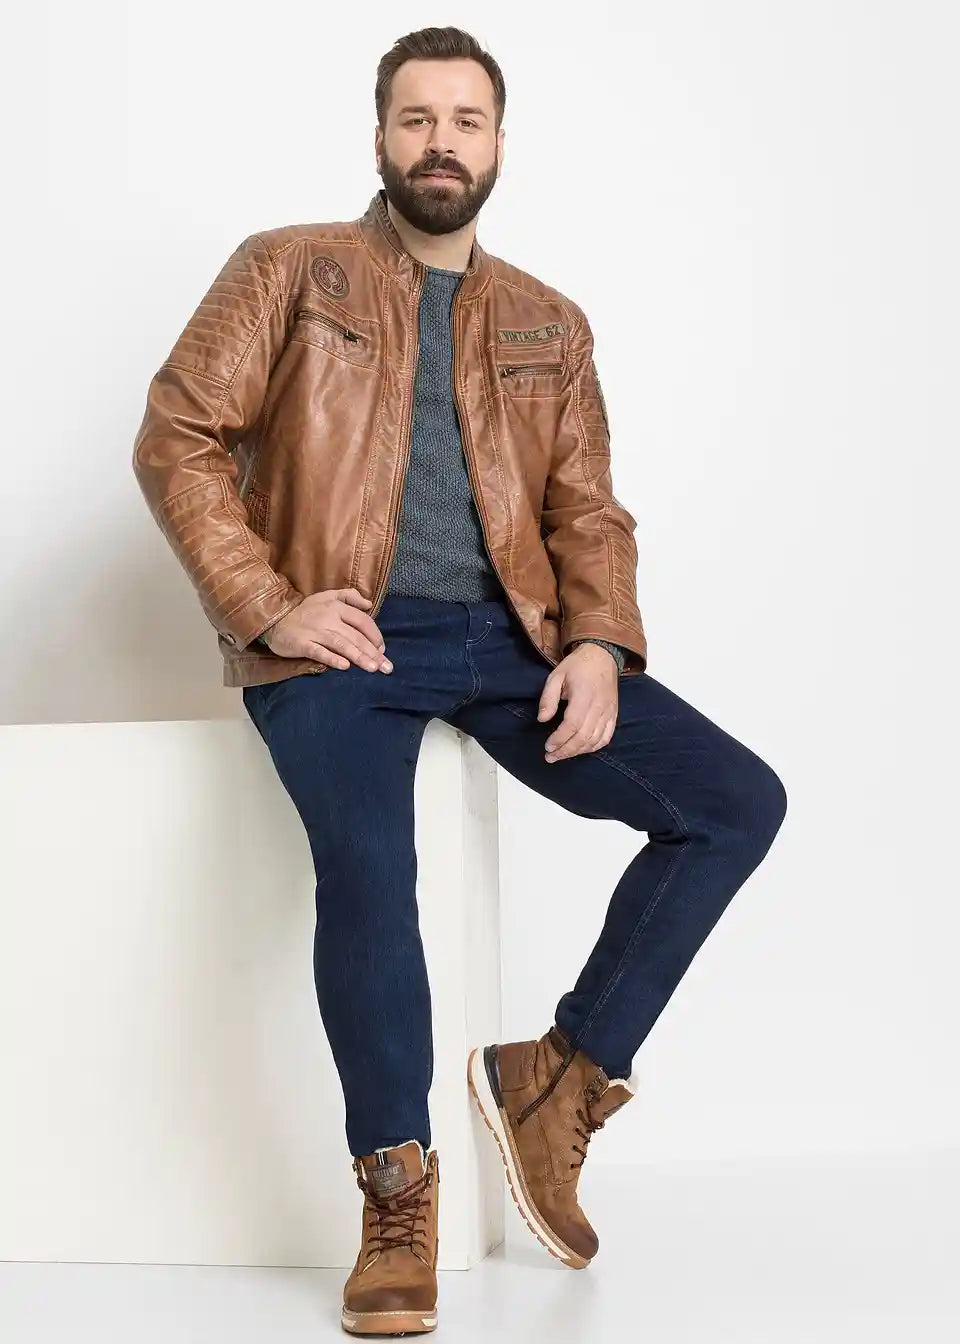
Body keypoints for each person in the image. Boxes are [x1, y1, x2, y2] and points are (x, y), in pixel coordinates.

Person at [132, 24, 787, 1337]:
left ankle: (561, 1078)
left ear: (497, 144)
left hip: (509, 642)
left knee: (734, 804)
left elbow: (587, 511)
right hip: (343, 638)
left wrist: (599, 642)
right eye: (418, 118)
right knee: (374, 870)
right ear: (381, 137)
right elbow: (178, 435)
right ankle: (396, 1192)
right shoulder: (288, 269)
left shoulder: (550, 320)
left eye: (466, 121)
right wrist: (269, 604)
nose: (442, 142)